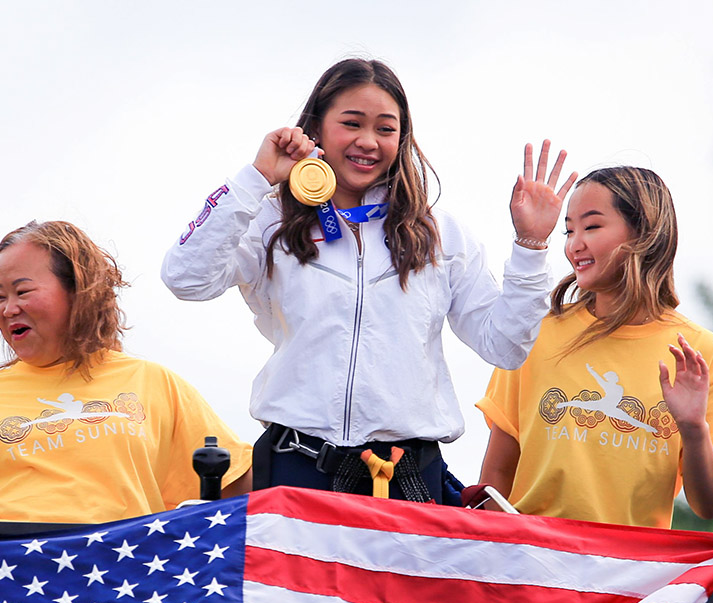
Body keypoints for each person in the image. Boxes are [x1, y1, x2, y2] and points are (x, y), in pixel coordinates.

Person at [161, 57, 575, 504]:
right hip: (295, 470)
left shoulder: (439, 233)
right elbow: (186, 278)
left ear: (403, 137)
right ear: (316, 126)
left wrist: (531, 246)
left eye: (385, 128)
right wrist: (256, 179)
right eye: (351, 123)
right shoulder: (269, 220)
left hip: (408, 477)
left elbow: (506, 346)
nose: (368, 141)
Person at [0, 220, 252, 523]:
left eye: (23, 291)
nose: (7, 308)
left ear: (79, 289)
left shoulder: (153, 383)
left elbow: (237, 487)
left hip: (114, 597)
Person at [472, 166, 713, 528]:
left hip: (631, 574)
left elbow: (710, 504)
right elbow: (495, 478)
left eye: (592, 227)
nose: (574, 244)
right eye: (569, 230)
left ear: (644, 232)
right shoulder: (535, 333)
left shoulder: (701, 353)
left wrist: (693, 429)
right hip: (533, 568)